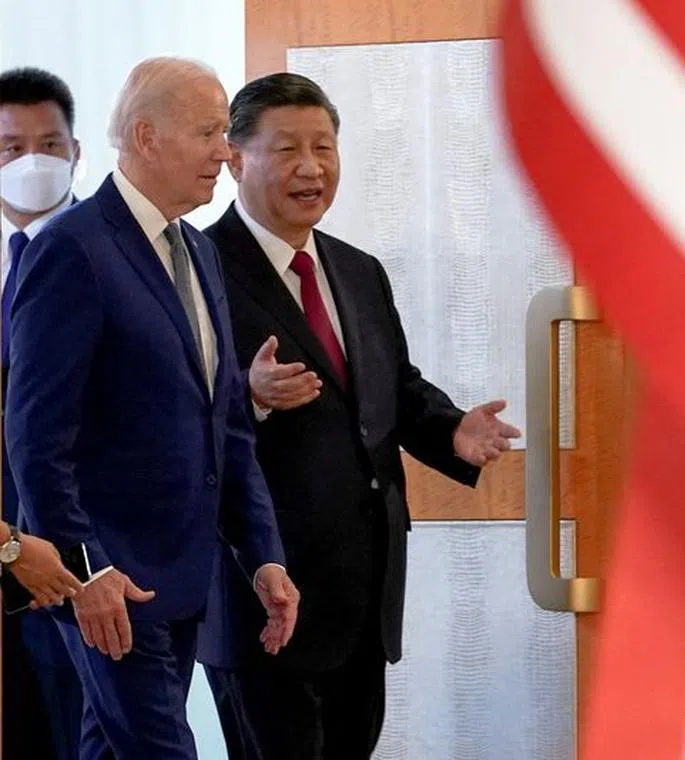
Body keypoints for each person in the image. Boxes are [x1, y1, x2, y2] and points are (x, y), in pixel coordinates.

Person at [198, 72, 521, 760]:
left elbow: (390, 387)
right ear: (235, 160)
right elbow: (166, 415)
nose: (311, 167)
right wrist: (247, 395)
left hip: (361, 595)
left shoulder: (357, 269)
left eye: (323, 147)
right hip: (261, 595)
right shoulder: (198, 268)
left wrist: (450, 429)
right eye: (287, 149)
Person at [4, 57, 301, 760]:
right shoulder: (71, 250)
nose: (225, 152)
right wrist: (86, 570)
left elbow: (226, 424)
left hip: (183, 579)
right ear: (146, 136)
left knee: (109, 747)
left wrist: (263, 555)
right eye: (208, 132)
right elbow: (35, 437)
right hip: (111, 582)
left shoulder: (197, 249)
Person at [0, 65, 86, 760]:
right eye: (12, 147)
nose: (32, 161)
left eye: (49, 145)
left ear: (76, 152)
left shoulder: (116, 252)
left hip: (88, 565)